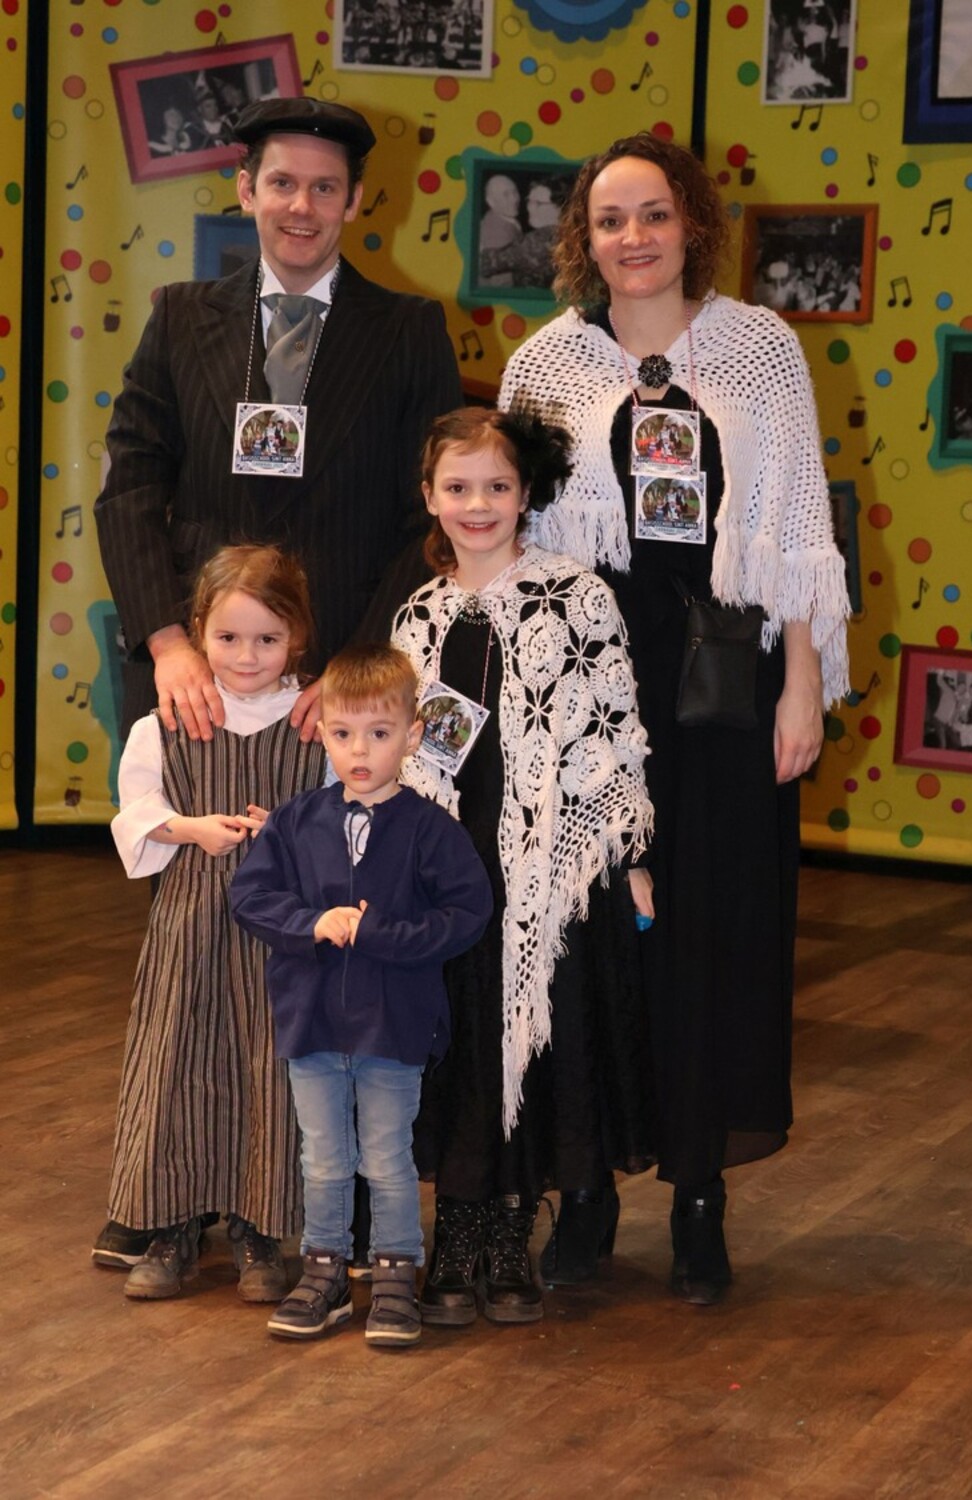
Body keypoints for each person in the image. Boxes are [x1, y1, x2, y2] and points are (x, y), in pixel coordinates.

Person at [93, 96, 461, 1268]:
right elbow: (129, 485)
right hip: (201, 687)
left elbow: (422, 519)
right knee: (192, 952)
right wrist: (168, 641)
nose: (302, 206)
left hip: (324, 706)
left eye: (325, 187)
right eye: (282, 183)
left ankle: (276, 1201)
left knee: (304, 952)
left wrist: (347, 671)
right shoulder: (179, 316)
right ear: (246, 191)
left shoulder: (407, 331)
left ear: (357, 201)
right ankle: (170, 1185)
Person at [498, 132, 851, 1305]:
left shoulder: (759, 348)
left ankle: (699, 1194)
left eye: (652, 213)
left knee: (715, 925)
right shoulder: (545, 364)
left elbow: (797, 523)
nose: (633, 237)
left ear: (691, 222)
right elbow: (513, 537)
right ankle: (585, 1189)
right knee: (590, 926)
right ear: (582, 237)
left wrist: (802, 682)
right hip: (592, 676)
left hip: (726, 681)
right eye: (609, 219)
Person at [391, 408, 655, 1326]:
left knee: (536, 1043)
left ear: (526, 493)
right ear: (431, 496)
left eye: (497, 487)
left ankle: (512, 1227)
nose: (478, 504)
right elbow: (400, 748)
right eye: (458, 487)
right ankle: (457, 1228)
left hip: (547, 870)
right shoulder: (419, 616)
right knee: (461, 1045)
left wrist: (622, 855)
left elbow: (612, 736)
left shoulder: (576, 599)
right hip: (451, 870)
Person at [229, 645, 492, 1346]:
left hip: (394, 1026)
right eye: (343, 733)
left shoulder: (431, 829)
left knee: (386, 1157)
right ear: (322, 734)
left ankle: (397, 1275)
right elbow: (250, 897)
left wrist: (382, 934)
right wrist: (311, 924)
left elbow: (468, 914)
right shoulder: (294, 822)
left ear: (412, 735)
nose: (360, 751)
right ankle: (325, 1273)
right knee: (323, 1156)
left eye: (379, 734)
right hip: (310, 1023)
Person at [101, 544, 329, 1303]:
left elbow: (347, 819)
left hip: (280, 935)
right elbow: (136, 814)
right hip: (192, 923)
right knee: (180, 1063)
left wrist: (290, 836)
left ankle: (260, 1228)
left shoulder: (314, 724)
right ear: (198, 630)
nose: (247, 655)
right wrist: (191, 828)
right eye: (228, 637)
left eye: (268, 638)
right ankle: (173, 1225)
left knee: (269, 1068)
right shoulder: (164, 723)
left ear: (297, 637)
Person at [478, 172, 523, 287]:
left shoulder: (500, 218)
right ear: (491, 201)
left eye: (515, 192)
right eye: (506, 194)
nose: (514, 199)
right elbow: (501, 282)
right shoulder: (497, 232)